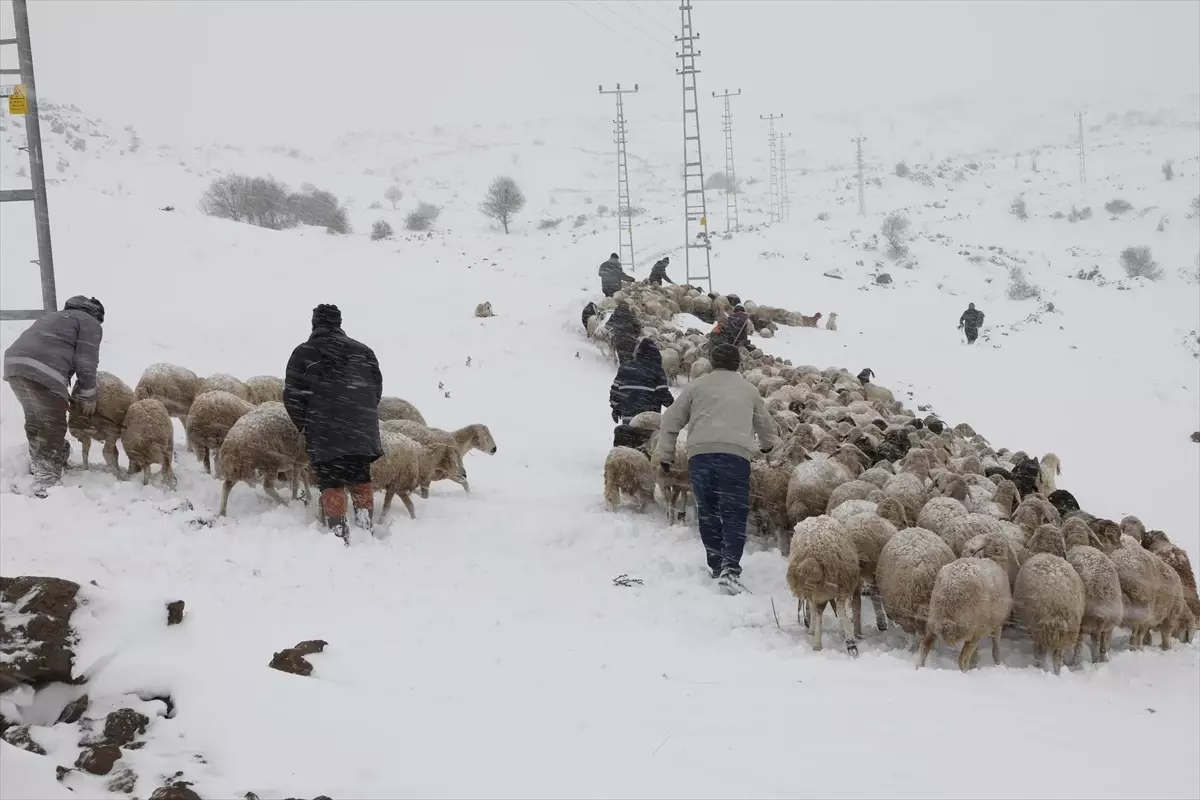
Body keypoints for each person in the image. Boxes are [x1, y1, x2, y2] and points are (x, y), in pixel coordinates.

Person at [657, 343, 779, 595]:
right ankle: (730, 567)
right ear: (738, 363)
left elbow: (670, 419)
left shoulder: (696, 386)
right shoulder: (749, 390)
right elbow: (766, 427)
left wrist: (666, 456)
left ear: (713, 362)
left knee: (708, 511)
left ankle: (715, 563)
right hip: (735, 459)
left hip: (701, 457)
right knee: (734, 512)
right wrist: (767, 447)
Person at [284, 304, 384, 543]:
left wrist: (305, 425)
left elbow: (291, 396)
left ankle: (339, 533)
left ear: (314, 324)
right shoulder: (364, 351)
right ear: (339, 323)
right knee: (360, 477)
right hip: (360, 428)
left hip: (325, 431)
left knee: (331, 481)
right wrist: (361, 415)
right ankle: (364, 526)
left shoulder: (304, 353)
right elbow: (376, 389)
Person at [2, 296, 104, 497]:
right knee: (52, 425)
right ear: (97, 314)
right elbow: (86, 361)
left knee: (36, 420)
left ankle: (42, 463)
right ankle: (46, 480)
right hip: (45, 369)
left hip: (15, 365)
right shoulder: (89, 322)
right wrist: (88, 394)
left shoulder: (55, 317)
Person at [609, 338, 674, 425]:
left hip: (629, 418)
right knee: (647, 437)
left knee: (629, 437)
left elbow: (615, 391)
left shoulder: (625, 368)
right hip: (648, 419)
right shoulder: (656, 370)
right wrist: (676, 409)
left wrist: (615, 408)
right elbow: (663, 394)